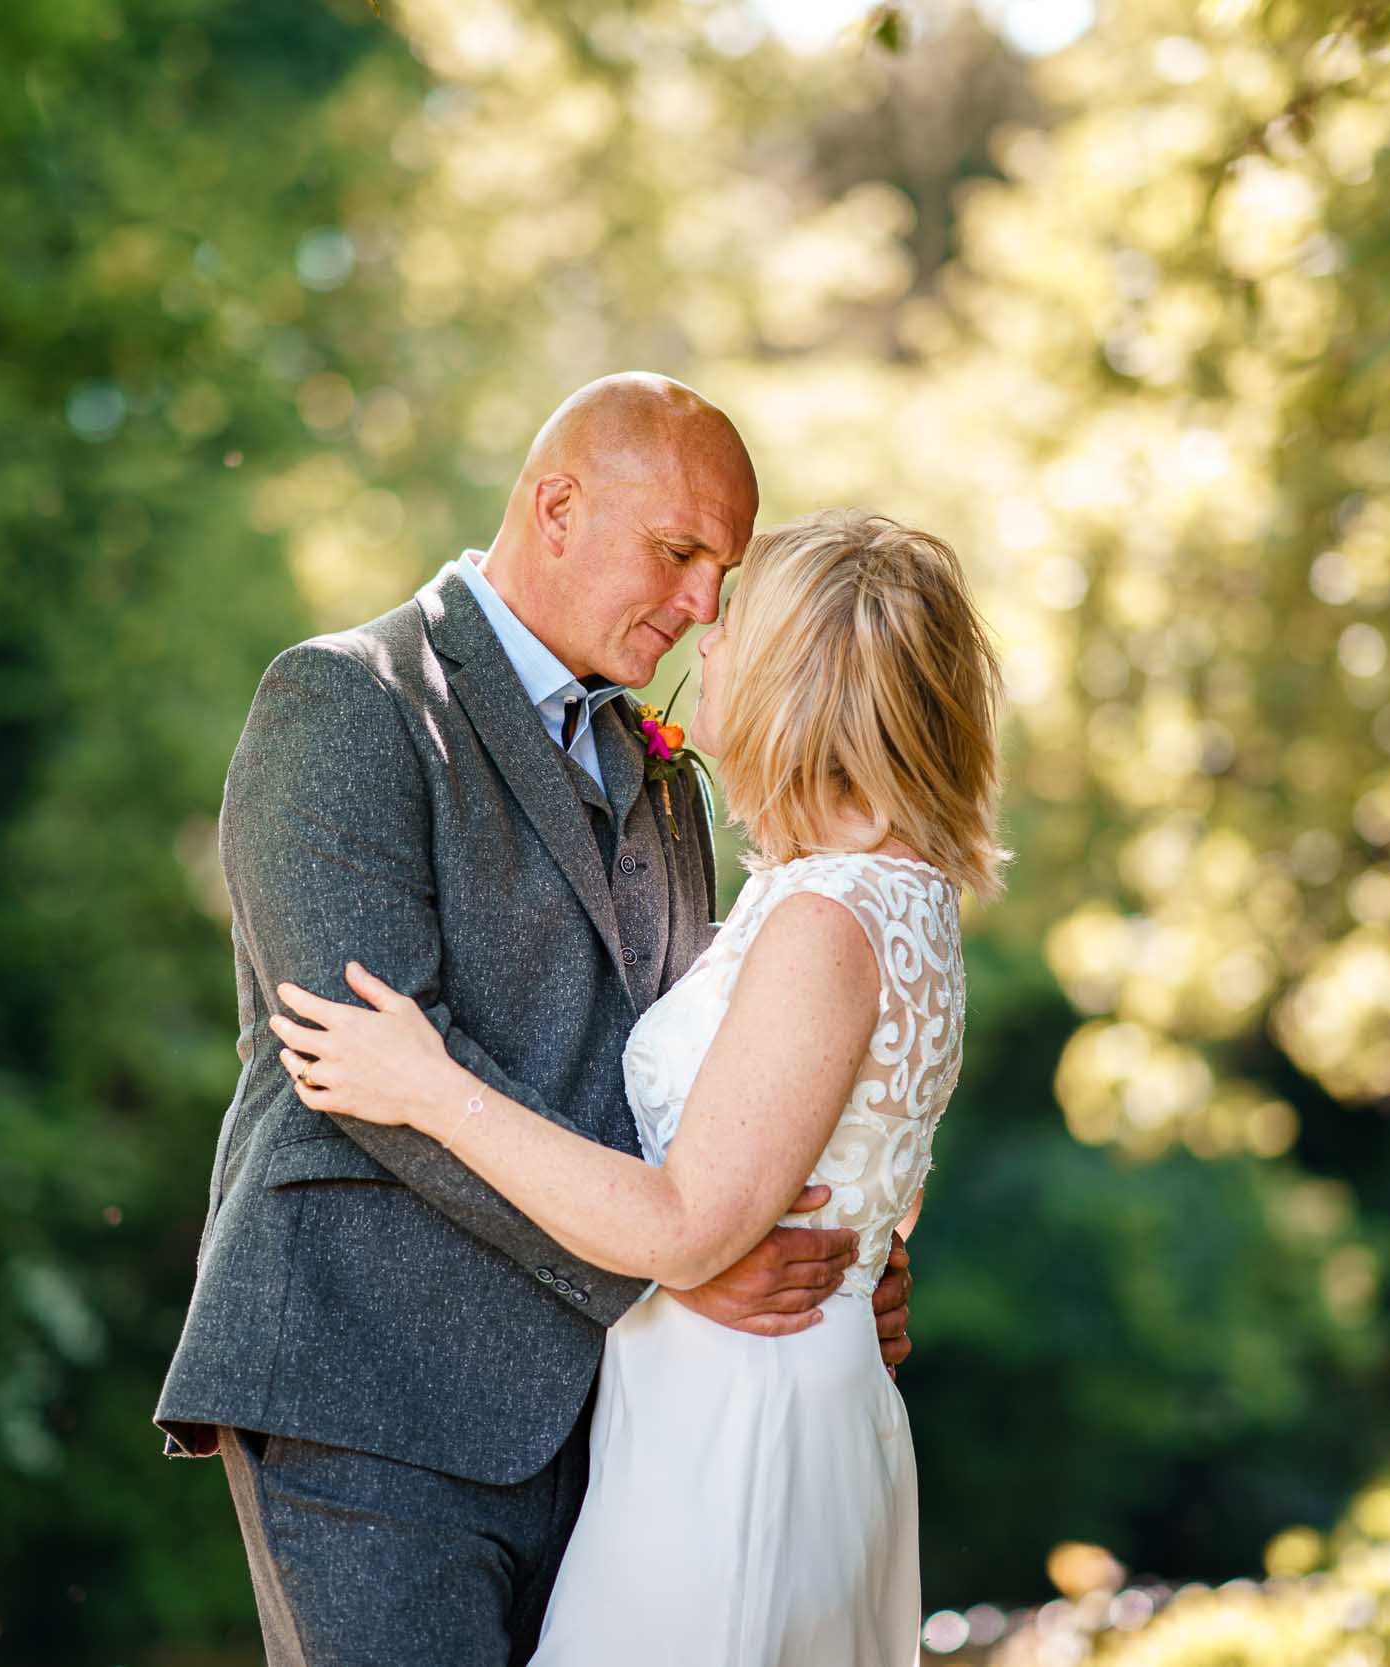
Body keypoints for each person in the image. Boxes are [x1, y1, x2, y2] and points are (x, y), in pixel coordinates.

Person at [151, 375, 916, 1667]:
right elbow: (365, 1061)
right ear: (557, 506)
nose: (703, 605)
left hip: (614, 1408)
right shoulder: (349, 701)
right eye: (678, 553)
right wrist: (682, 1256)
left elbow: (690, 1071)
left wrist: (820, 1239)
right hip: (369, 1383)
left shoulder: (665, 773)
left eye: (724, 570)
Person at [273, 508, 1005, 1665]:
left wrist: (428, 1083)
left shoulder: (825, 917)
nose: (703, 630)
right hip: (740, 1390)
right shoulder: (869, 894)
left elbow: (680, 1221)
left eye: (738, 622)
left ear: (795, 679)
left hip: (737, 1421)